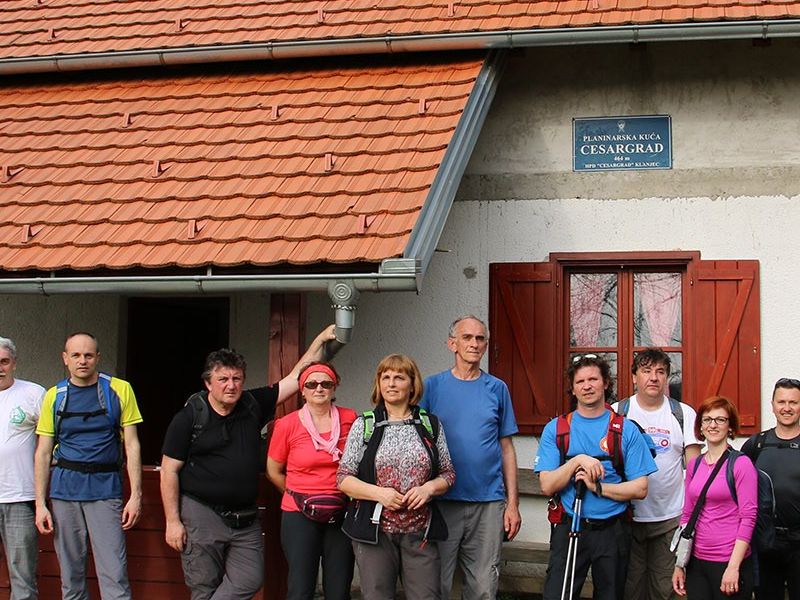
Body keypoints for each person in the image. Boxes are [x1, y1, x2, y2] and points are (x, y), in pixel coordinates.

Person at [160, 325, 336, 600]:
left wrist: (321, 340)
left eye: (237, 378)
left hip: (245, 518)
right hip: (202, 513)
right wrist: (172, 521)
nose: (231, 385)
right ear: (208, 383)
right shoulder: (189, 417)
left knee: (250, 579)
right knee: (204, 587)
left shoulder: (252, 403)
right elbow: (169, 470)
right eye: (223, 379)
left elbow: (295, 378)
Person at [535, 353, 657, 600]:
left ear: (606, 383)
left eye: (593, 379)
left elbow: (640, 488)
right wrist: (577, 461)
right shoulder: (557, 429)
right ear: (572, 388)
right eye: (580, 382)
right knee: (558, 595)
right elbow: (547, 485)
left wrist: (598, 488)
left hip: (613, 530)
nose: (587, 386)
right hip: (570, 526)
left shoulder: (625, 430)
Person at [34, 332, 143, 600]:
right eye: (76, 355)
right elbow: (43, 452)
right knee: (71, 578)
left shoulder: (119, 389)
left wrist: (136, 496)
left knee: (114, 575)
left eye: (88, 355)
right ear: (65, 358)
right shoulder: (54, 395)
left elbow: (132, 445)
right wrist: (40, 503)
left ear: (98, 358)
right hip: (64, 492)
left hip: (106, 491)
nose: (82, 361)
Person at [338, 354, 456, 600]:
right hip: (375, 532)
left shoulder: (430, 424)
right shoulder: (365, 424)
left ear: (412, 385)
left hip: (420, 531)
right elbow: (343, 479)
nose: (391, 383)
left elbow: (448, 473)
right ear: (379, 383)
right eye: (386, 377)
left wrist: (428, 489)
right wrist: (379, 494)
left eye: (399, 377)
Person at [419, 315, 521, 600]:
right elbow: (418, 442)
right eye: (467, 337)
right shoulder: (432, 387)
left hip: (488, 503)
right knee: (435, 583)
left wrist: (512, 504)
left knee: (484, 586)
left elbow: (507, 448)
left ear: (486, 345)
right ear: (452, 344)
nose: (474, 344)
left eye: (480, 338)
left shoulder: (497, 388)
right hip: (441, 502)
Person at [613, 349, 702, 600]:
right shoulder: (618, 413)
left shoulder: (683, 413)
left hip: (669, 519)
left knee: (665, 590)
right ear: (634, 377)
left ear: (666, 378)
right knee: (629, 590)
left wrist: (690, 519)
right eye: (646, 371)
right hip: (627, 518)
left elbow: (695, 472)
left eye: (660, 372)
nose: (654, 377)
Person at [266, 361, 357, 600]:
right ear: (302, 390)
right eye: (312, 384)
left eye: (326, 383)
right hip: (299, 512)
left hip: (341, 510)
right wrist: (296, 494)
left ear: (334, 387)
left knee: (339, 589)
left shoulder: (351, 418)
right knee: (300, 588)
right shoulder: (287, 424)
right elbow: (273, 470)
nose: (319, 388)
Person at [672, 396, 757, 600]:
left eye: (720, 420)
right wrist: (680, 564)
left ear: (730, 426)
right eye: (707, 419)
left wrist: (733, 567)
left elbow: (748, 518)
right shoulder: (694, 465)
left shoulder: (741, 464)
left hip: (729, 561)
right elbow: (688, 514)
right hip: (697, 562)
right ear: (700, 427)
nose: (713, 425)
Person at [741, 377, 800, 600]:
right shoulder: (756, 444)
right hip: (765, 543)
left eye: (793, 402)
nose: (787, 408)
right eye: (781, 402)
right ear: (773, 405)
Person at [0, 337, 45, 600]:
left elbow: (54, 437)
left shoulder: (33, 394)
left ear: (14, 363)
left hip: (19, 497)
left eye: (4, 361)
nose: (0, 368)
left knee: (23, 578)